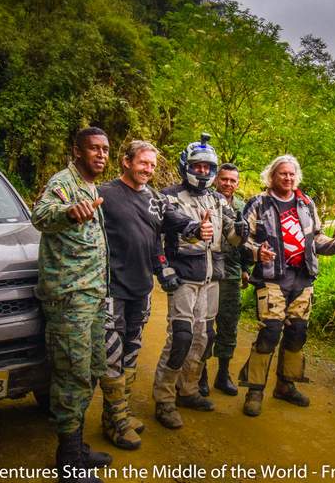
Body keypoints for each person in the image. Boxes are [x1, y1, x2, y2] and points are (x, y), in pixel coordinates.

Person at [98, 140, 212, 449]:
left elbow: (174, 220)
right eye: (143, 163)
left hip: (141, 288)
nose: (148, 169)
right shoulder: (104, 194)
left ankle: (118, 413)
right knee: (112, 354)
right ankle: (116, 422)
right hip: (111, 288)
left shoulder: (154, 198)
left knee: (132, 351)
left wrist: (194, 227)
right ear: (126, 162)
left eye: (152, 165)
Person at [238, 154, 335, 416]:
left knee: (297, 332)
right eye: (282, 173)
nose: (287, 178)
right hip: (272, 277)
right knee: (270, 332)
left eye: (291, 174)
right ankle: (255, 389)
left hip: (303, 277)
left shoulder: (305, 203)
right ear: (272, 176)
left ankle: (285, 385)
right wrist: (256, 252)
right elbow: (241, 240)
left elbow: (317, 238)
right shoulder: (258, 204)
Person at [31, 127, 113, 483]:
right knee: (72, 375)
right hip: (68, 298)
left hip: (92, 296)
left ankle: (78, 446)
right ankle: (67, 460)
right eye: (93, 148)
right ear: (77, 151)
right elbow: (41, 215)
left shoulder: (92, 187)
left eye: (106, 149)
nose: (101, 154)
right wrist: (69, 212)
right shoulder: (64, 183)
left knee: (93, 368)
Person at [153, 135, 247, 429]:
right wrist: (164, 266)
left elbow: (229, 239)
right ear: (186, 165)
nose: (203, 172)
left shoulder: (218, 200)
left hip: (211, 278)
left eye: (208, 168)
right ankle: (164, 398)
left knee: (204, 337)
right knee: (181, 337)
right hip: (183, 277)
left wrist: (242, 232)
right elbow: (164, 230)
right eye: (198, 166)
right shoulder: (167, 196)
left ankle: (189, 390)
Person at [199, 163, 249, 397]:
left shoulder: (242, 206)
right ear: (217, 179)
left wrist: (246, 268)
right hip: (208, 271)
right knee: (205, 326)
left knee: (228, 324)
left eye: (233, 180)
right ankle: (200, 375)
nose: (228, 184)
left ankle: (223, 373)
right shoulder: (206, 200)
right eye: (224, 179)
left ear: (238, 183)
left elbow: (248, 240)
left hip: (232, 273)